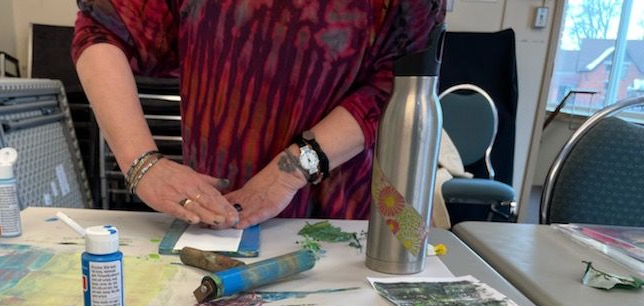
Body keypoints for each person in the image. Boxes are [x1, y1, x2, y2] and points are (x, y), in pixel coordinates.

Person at [72, 0, 445, 229]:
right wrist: (142, 163)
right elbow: (102, 27)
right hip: (219, 215)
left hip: (350, 224)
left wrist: (288, 174)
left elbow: (397, 83)